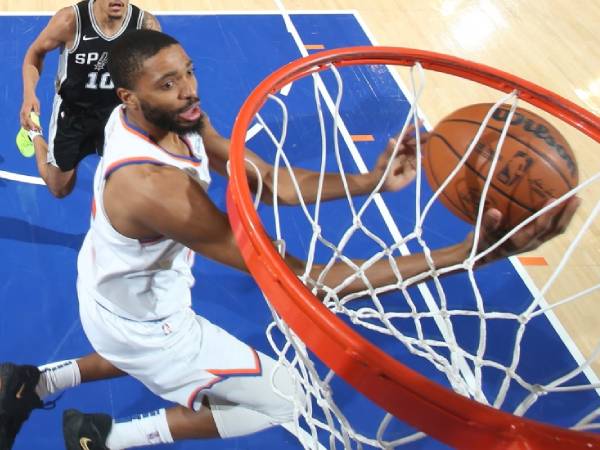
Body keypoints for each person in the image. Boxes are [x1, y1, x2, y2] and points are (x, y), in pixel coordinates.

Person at [0, 30, 579, 450]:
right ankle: (108, 438)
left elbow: (267, 182)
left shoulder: (171, 120)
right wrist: (467, 253)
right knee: (286, 399)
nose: (188, 91)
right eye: (168, 83)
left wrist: (371, 179)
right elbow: (309, 279)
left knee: (145, 351)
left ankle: (36, 381)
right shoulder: (155, 188)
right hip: (147, 322)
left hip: (116, 291)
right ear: (130, 98)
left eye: (189, 72)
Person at [15, 0, 161, 198]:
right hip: (73, 114)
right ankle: (33, 134)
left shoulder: (145, 26)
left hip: (117, 116)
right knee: (59, 189)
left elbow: (156, 73)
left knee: (127, 190)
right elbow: (35, 53)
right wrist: (29, 94)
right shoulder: (71, 21)